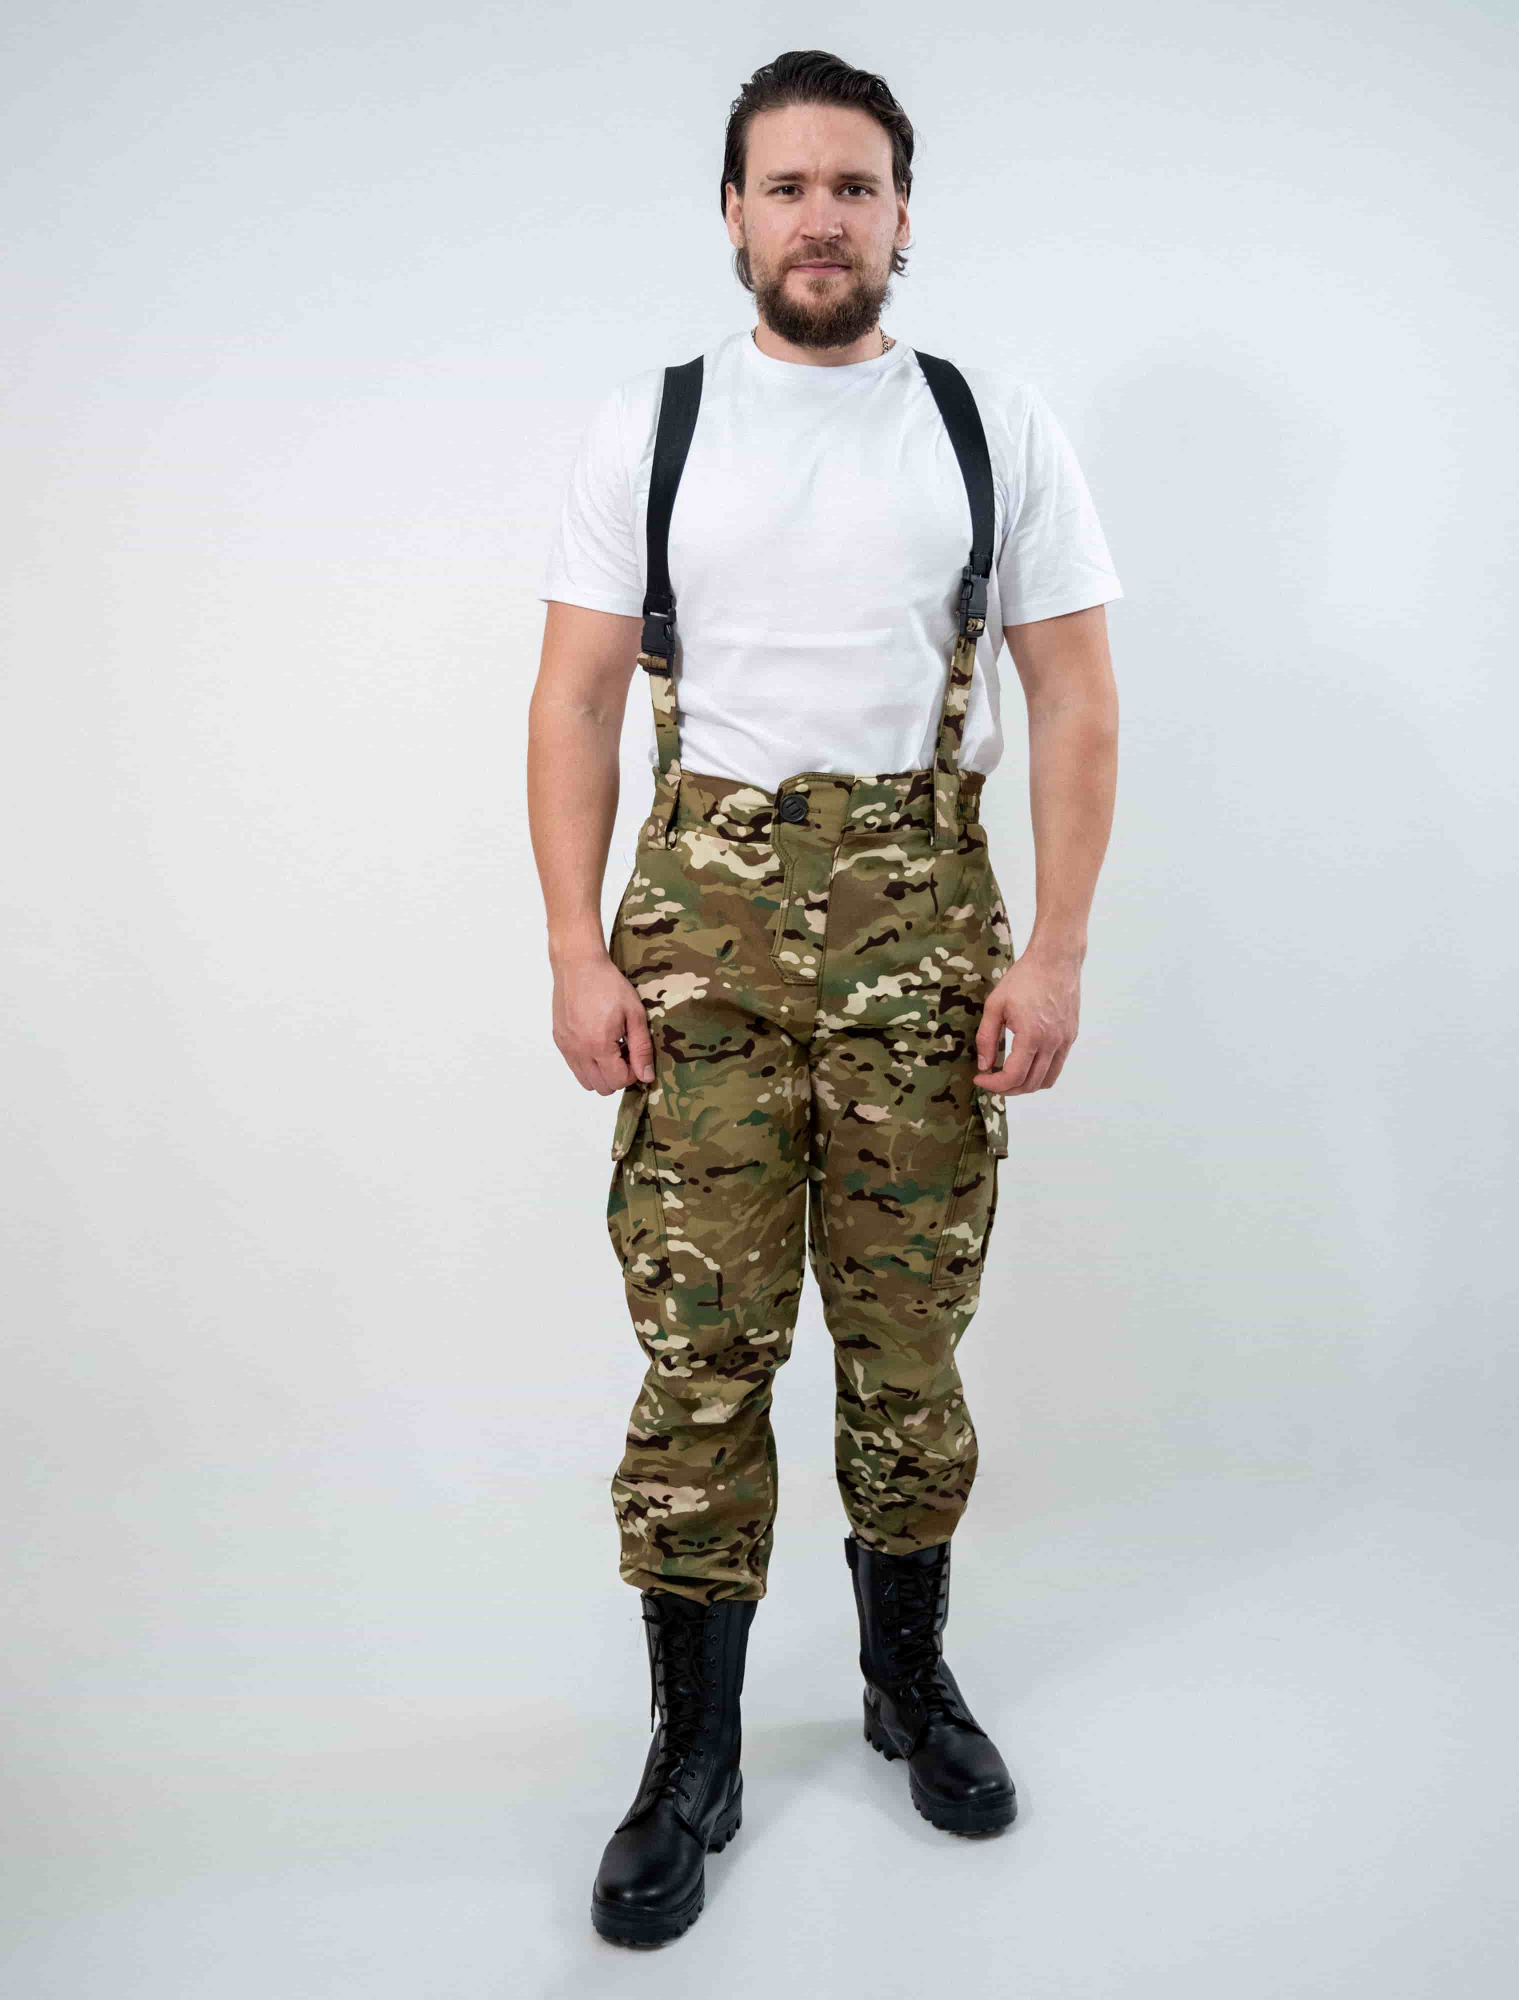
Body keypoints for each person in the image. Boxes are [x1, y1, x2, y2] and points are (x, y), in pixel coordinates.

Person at [528, 48, 1122, 1948]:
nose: (820, 218)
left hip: (927, 946)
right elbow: (578, 697)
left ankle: (906, 1683)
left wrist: (1055, 949)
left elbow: (1074, 697)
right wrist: (573, 947)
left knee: (907, 1348)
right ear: (731, 212)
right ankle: (689, 1757)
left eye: (853, 186)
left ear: (902, 215)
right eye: (785, 186)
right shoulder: (657, 424)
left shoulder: (984, 423)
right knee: (702, 1355)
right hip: (694, 955)